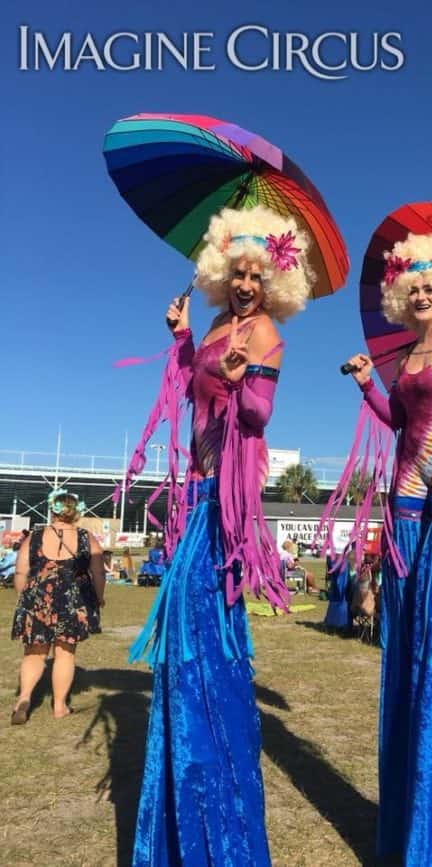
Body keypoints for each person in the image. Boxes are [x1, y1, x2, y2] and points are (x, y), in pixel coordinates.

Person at [127, 205, 315, 867]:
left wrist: (242, 377)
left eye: (254, 276)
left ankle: (219, 823)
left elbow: (259, 415)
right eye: (234, 273)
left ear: (271, 285)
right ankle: (183, 812)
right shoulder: (211, 325)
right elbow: (189, 389)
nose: (243, 285)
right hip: (196, 498)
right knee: (182, 653)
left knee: (210, 652)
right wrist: (184, 337)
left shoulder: (265, 333)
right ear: (219, 276)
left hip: (226, 512)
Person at [337, 229, 432, 865]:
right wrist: (369, 383)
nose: (423, 293)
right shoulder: (405, 360)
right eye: (413, 287)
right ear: (402, 297)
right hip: (402, 501)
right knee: (404, 641)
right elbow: (398, 423)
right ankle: (408, 808)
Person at [10, 490, 104, 723]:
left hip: (38, 597)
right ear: (77, 512)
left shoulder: (35, 536)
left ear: (53, 510)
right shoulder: (86, 538)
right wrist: (99, 597)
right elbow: (99, 572)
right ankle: (60, 706)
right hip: (74, 600)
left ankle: (23, 698)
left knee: (34, 653)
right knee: (64, 654)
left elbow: (21, 570)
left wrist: (25, 597)